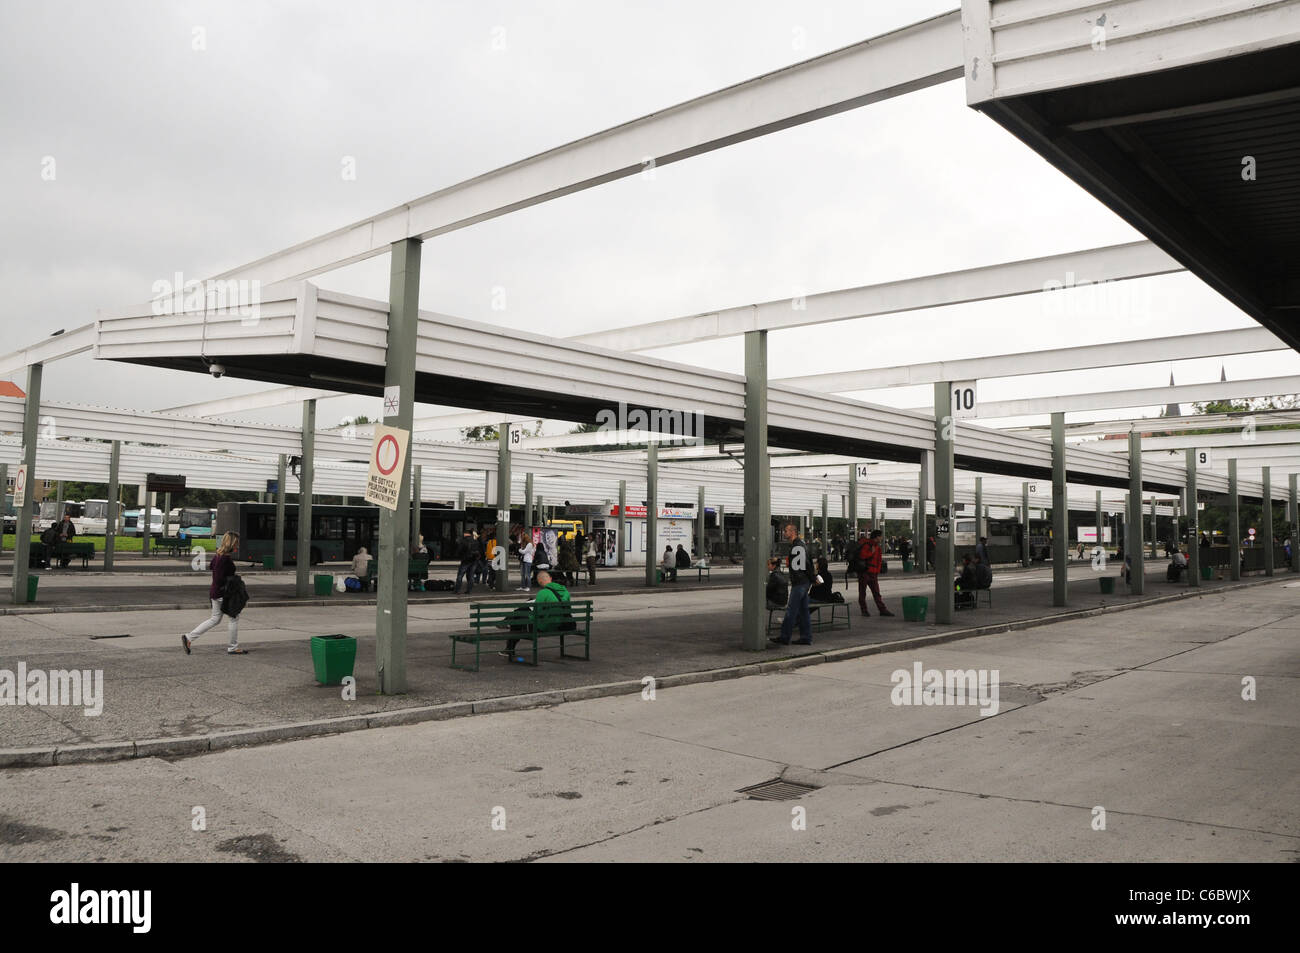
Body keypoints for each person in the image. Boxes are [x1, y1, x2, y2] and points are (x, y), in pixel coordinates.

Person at [182, 531, 245, 654]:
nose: (238, 546)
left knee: (215, 619)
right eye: (236, 543)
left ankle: (189, 637)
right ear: (231, 543)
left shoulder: (218, 556)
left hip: (215, 592)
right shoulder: (225, 559)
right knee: (233, 618)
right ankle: (233, 647)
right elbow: (220, 578)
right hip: (223, 593)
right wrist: (232, 580)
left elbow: (212, 568)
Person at [499, 569, 571, 660]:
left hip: (546, 626)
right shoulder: (565, 592)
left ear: (540, 581)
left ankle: (509, 648)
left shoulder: (543, 593)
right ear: (550, 579)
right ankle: (508, 623)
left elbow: (536, 613)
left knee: (518, 619)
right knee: (520, 614)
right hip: (561, 623)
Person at [772, 522, 813, 646]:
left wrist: (812, 577)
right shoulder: (800, 545)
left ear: (793, 532)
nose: (784, 533)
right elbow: (807, 562)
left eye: (786, 531)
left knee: (791, 611)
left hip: (799, 582)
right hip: (804, 582)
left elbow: (804, 564)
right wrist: (812, 578)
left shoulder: (797, 546)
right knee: (803, 611)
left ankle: (785, 637)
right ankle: (806, 637)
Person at [853, 530, 894, 617]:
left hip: (873, 573)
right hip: (865, 572)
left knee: (876, 592)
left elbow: (879, 560)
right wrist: (871, 552)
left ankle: (882, 610)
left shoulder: (877, 547)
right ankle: (865, 610)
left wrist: (877, 571)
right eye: (881, 536)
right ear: (877, 537)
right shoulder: (868, 545)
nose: (882, 538)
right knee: (863, 592)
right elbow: (862, 556)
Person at [455, 529, 479, 595]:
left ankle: (457, 590)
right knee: (471, 576)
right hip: (474, 560)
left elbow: (459, 550)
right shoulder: (475, 541)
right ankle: (469, 590)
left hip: (465, 560)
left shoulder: (463, 541)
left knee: (460, 575)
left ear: (465, 534)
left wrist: (460, 556)